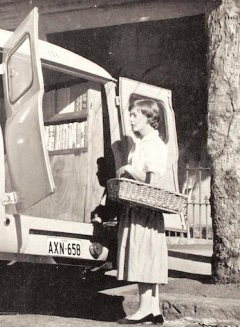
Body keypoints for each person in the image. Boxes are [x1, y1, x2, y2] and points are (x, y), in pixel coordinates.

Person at [115, 99, 168, 325]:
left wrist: (128, 169)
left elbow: (152, 180)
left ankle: (145, 308)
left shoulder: (154, 145)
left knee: (144, 256)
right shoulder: (141, 144)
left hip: (145, 209)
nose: (131, 119)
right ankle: (153, 308)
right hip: (137, 207)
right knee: (145, 255)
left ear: (149, 117)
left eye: (136, 114)